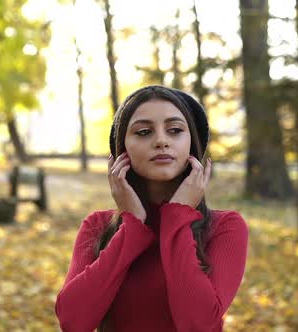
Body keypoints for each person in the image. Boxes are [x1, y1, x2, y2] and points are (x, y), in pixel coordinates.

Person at [54, 85, 249, 332]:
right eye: (144, 132)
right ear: (122, 151)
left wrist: (177, 216)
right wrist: (132, 226)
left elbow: (199, 325)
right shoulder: (97, 226)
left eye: (175, 130)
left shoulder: (225, 227)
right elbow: (73, 322)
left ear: (192, 144)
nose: (161, 141)